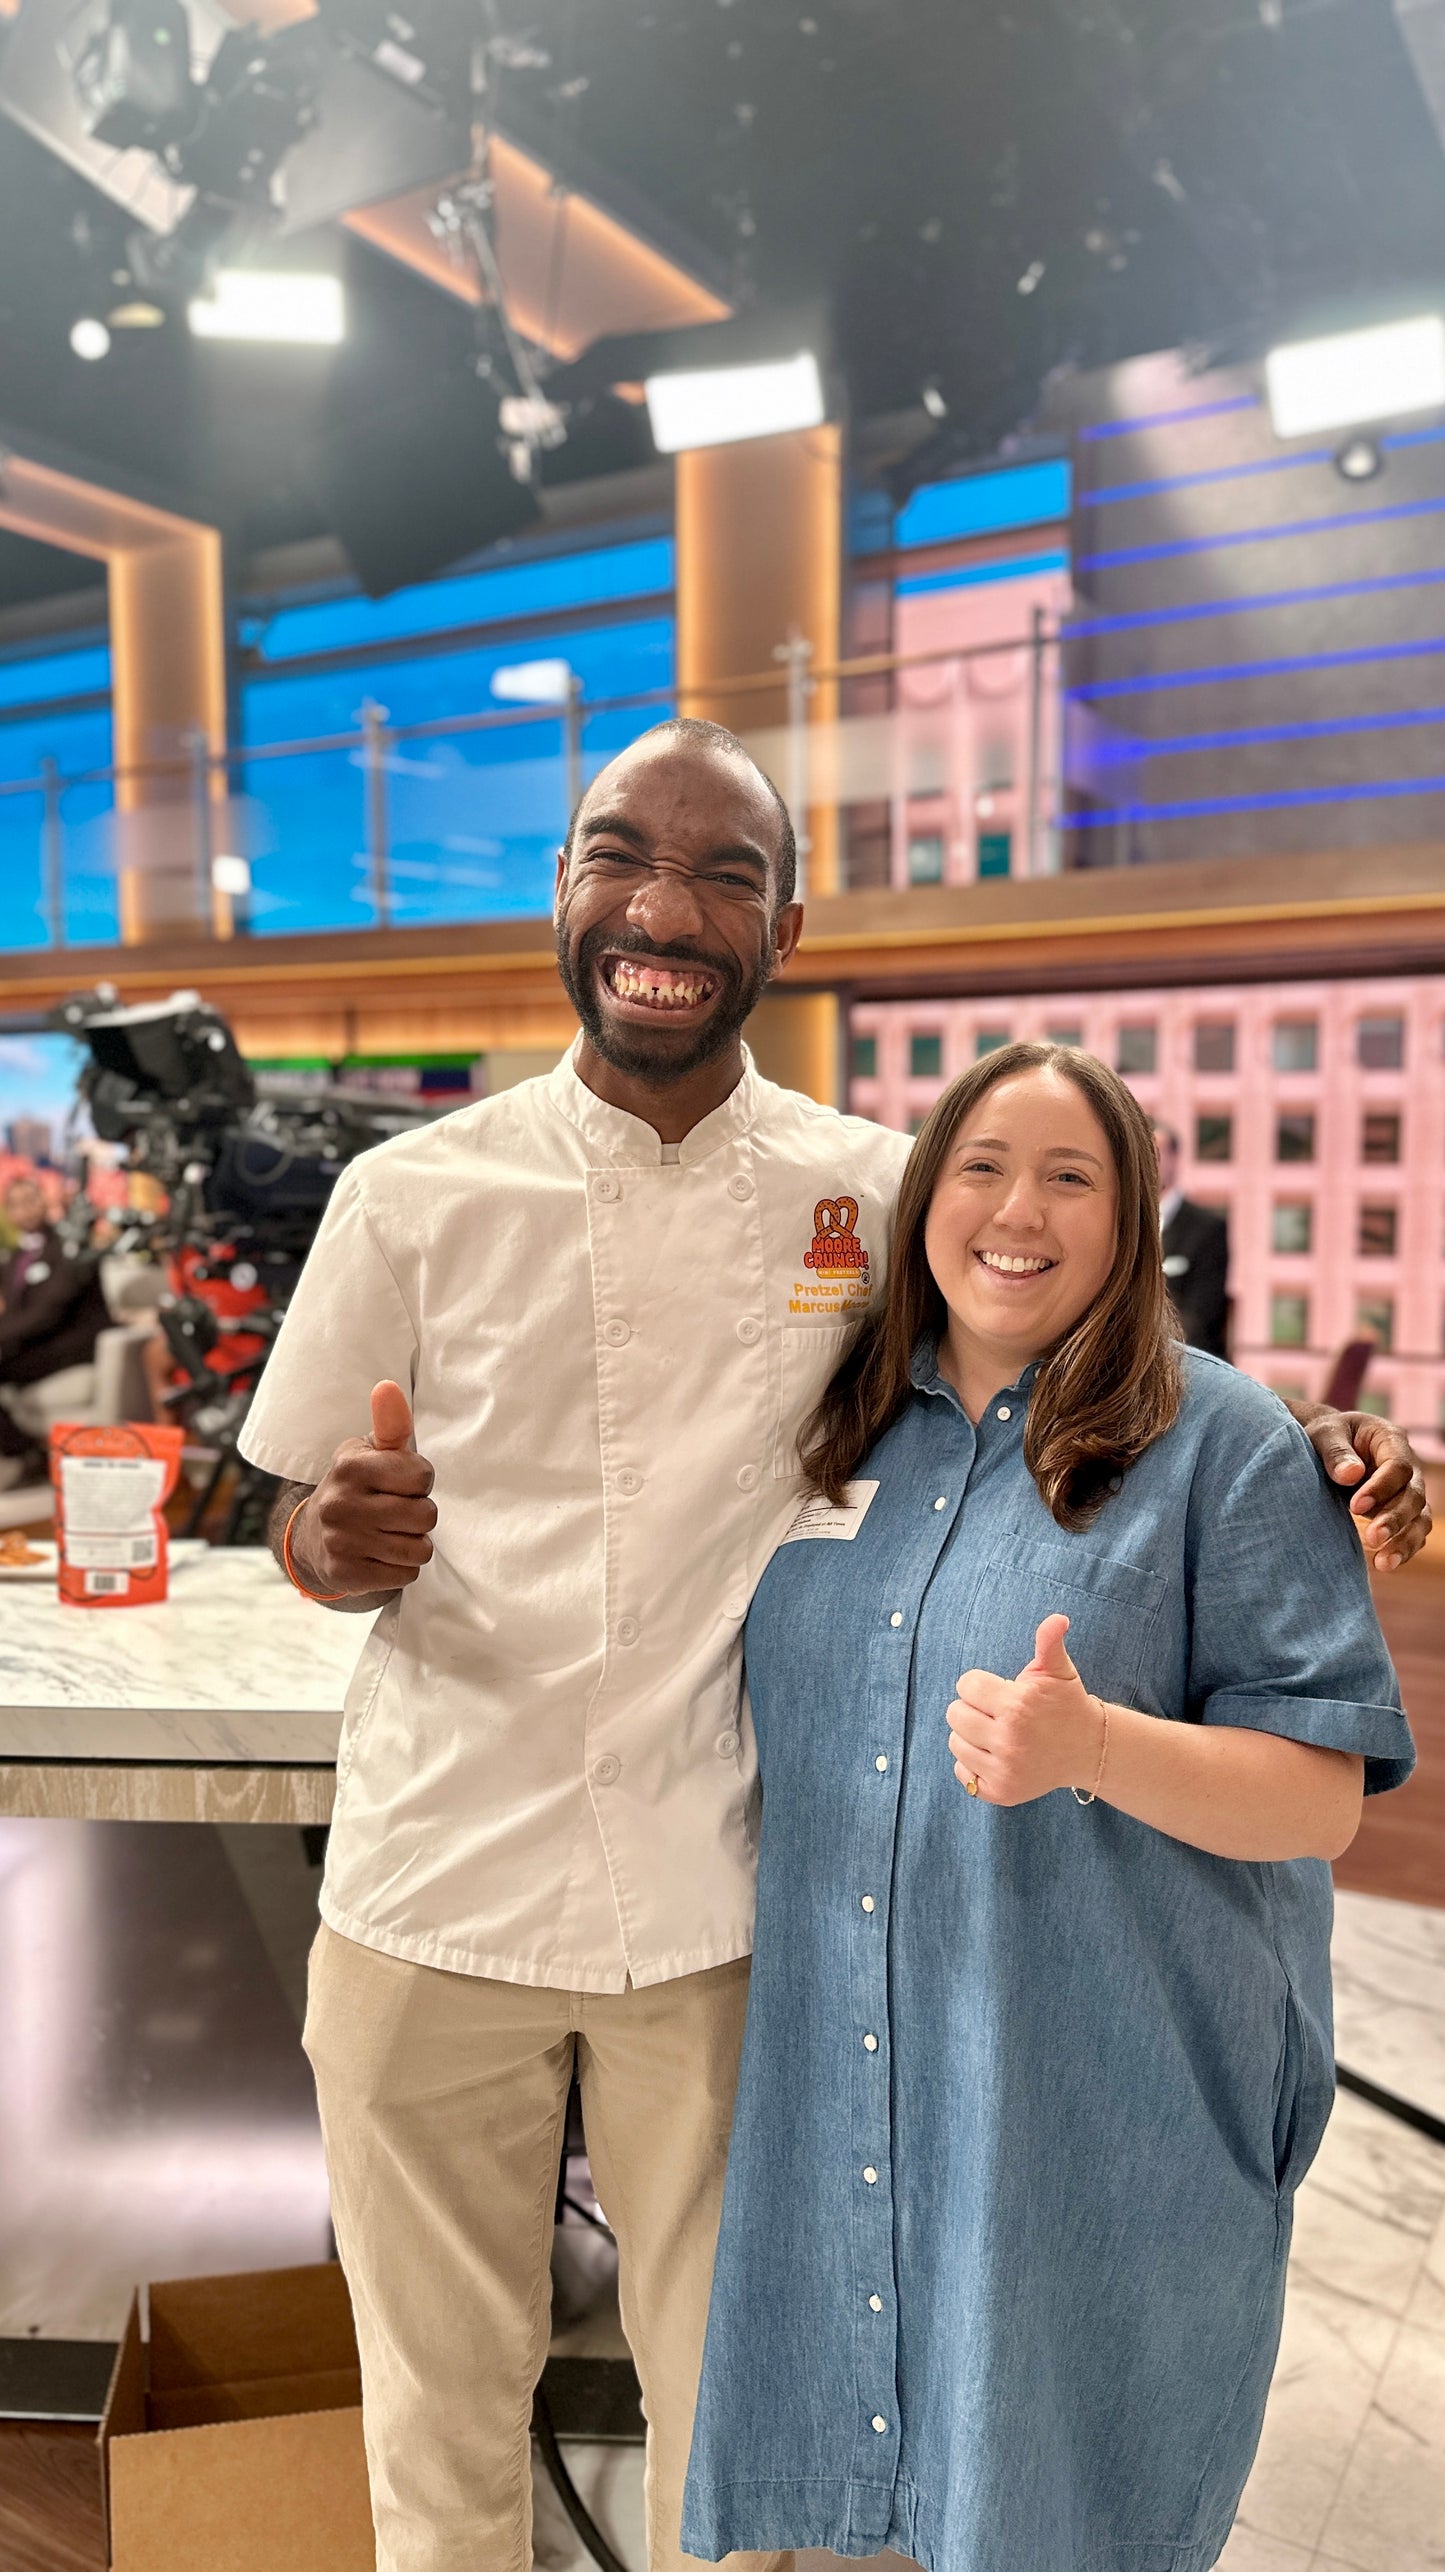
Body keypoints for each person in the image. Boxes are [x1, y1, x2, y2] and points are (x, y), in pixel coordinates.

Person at [236, 723, 1428, 2572]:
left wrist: (1309, 1440)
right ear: (560, 889)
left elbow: (1061, 1323)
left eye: (723, 874)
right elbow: (295, 1512)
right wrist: (329, 1541)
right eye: (620, 855)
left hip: (717, 1912)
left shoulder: (876, 1189)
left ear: (782, 929)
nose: (663, 908)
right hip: (428, 1886)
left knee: (751, 2434)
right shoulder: (408, 1194)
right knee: (434, 2421)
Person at [682, 1043, 1414, 2572]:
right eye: (982, 1168)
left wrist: (1095, 1748)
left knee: (1060, 2515)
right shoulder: (837, 1428)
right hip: (852, 2090)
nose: (1018, 1211)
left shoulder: (1225, 1447)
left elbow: (1322, 1799)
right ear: (922, 1202)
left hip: (1094, 2116)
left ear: (1130, 1217)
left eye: (1070, 1177)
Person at [0, 1172, 112, 1487]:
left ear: (43, 1201)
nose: (25, 1209)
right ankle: (23, 1448)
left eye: (30, 1199)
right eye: (16, 1204)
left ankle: (26, 1453)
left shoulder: (69, 1247)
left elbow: (47, 1313)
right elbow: (16, 1315)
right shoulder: (13, 1259)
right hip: (35, 1345)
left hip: (71, 1345)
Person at [1154, 1118, 1229, 1356]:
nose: (1149, 1162)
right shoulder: (1119, 1224)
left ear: (1175, 1159)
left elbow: (1202, 1317)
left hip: (1184, 1357)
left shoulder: (1208, 1229)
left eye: (1157, 1153)